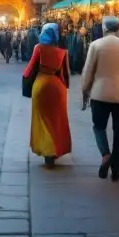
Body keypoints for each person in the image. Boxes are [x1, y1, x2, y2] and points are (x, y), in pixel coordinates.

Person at [81, 16, 119, 182]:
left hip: (99, 94)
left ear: (104, 29)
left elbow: (88, 70)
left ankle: (106, 154)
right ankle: (116, 168)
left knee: (99, 127)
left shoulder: (96, 45)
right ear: (118, 28)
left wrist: (85, 90)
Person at [23, 22, 71, 167]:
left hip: (41, 85)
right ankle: (56, 149)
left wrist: (26, 81)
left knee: (42, 119)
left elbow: (29, 68)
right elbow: (66, 74)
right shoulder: (63, 52)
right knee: (57, 119)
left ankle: (47, 150)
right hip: (58, 87)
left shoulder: (39, 48)